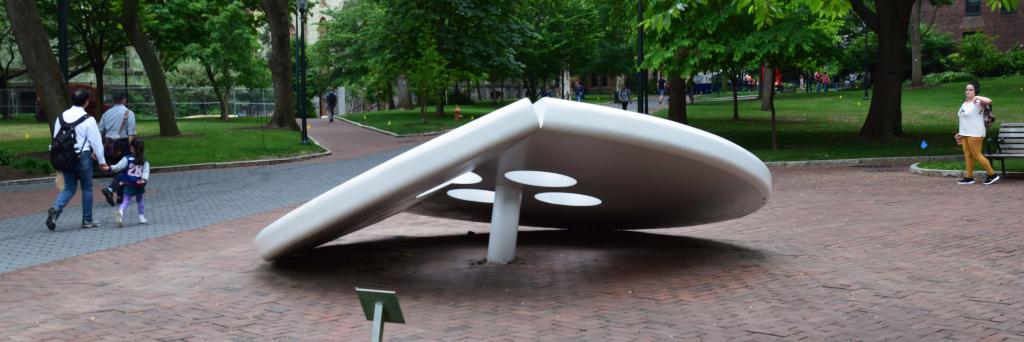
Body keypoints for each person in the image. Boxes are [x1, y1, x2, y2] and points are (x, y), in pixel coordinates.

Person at [47, 89, 109, 231]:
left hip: (65, 158)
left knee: (69, 187)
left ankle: (56, 209)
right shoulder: (89, 119)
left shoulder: (61, 117)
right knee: (87, 188)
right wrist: (102, 161)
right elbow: (96, 142)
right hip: (83, 157)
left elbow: (56, 139)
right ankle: (87, 220)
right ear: (86, 102)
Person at [954, 81, 999, 185]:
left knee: (977, 155)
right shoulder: (965, 102)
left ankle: (992, 174)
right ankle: (969, 177)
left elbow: (989, 100)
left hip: (976, 133)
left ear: (975, 91)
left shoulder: (978, 102)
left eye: (970, 90)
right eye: (966, 89)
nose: (967, 91)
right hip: (965, 133)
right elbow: (964, 119)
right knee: (968, 156)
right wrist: (960, 133)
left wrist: (977, 97)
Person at [98, 92, 136, 207]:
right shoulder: (128, 113)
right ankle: (110, 190)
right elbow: (131, 132)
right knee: (125, 169)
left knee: (117, 169)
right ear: (124, 100)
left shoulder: (106, 114)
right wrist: (131, 146)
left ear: (113, 100)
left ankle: (120, 195)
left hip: (109, 144)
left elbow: (100, 130)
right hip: (123, 143)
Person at [110, 138, 151, 227]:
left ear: (132, 148)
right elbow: (146, 172)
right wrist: (144, 180)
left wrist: (110, 168)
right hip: (139, 184)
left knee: (125, 201)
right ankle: (141, 217)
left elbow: (118, 167)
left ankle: (120, 212)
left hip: (128, 184)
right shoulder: (144, 161)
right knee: (140, 200)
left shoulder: (127, 158)